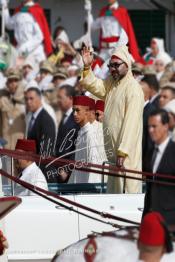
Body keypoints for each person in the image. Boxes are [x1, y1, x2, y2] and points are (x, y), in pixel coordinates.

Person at [80, 45, 144, 193]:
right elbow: (95, 86)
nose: (112, 69)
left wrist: (122, 151)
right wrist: (87, 67)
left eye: (116, 65)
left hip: (126, 156)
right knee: (113, 198)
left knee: (127, 197)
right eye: (110, 65)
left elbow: (131, 124)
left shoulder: (133, 89)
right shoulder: (111, 82)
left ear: (127, 65)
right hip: (113, 154)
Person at [143, 109, 175, 226]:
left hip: (170, 221)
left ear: (166, 126)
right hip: (151, 219)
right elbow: (150, 188)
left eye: (154, 126)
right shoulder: (150, 153)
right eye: (149, 127)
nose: (151, 130)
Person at [1, 0, 53, 66]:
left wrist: (25, 47)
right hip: (20, 51)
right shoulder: (18, 11)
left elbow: (40, 36)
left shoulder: (37, 10)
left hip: (34, 52)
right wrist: (5, 6)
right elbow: (9, 25)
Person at [68, 96, 105, 184]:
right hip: (80, 187)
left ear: (87, 112)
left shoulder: (90, 134)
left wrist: (90, 192)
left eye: (77, 110)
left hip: (87, 190)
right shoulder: (81, 132)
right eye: (73, 110)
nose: (74, 114)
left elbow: (94, 165)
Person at [25, 87, 56, 155]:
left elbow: (46, 150)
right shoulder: (31, 116)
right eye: (26, 99)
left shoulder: (46, 120)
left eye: (31, 98)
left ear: (39, 99)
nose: (28, 102)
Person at [0, 69, 25, 150]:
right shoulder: (2, 98)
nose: (13, 84)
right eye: (10, 81)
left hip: (20, 147)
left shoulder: (27, 99)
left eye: (15, 80)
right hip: (5, 146)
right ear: (7, 83)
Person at [55, 85, 79, 159]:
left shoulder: (77, 118)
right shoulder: (65, 116)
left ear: (70, 98)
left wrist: (67, 169)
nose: (58, 100)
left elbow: (77, 147)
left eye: (60, 97)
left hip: (67, 166)